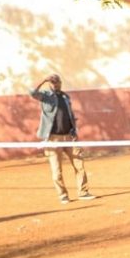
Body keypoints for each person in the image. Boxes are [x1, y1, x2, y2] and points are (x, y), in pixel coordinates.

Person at [30, 74, 96, 204]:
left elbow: (70, 114)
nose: (55, 84)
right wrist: (43, 80)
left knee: (79, 165)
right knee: (57, 169)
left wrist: (74, 129)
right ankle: (63, 195)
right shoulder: (45, 96)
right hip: (53, 138)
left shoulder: (65, 97)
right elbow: (32, 92)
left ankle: (83, 192)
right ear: (49, 84)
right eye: (53, 82)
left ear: (60, 83)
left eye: (57, 82)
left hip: (69, 137)